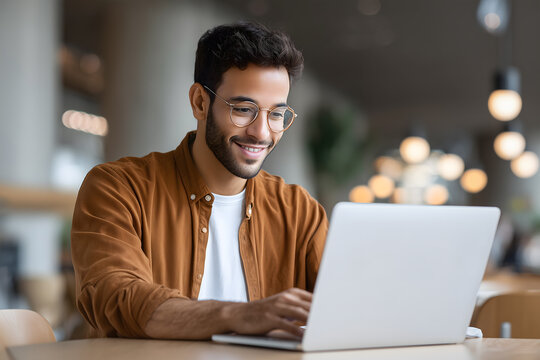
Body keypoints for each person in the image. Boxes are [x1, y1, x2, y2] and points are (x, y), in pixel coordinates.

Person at [71, 21, 328, 340]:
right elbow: (117, 299)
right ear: (200, 102)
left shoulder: (300, 211)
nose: (262, 133)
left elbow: (346, 308)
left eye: (276, 114)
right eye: (244, 109)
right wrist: (240, 315)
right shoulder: (118, 188)